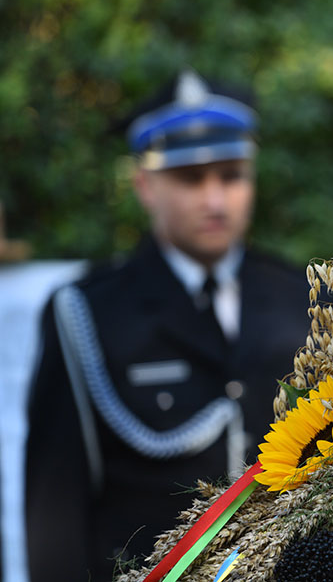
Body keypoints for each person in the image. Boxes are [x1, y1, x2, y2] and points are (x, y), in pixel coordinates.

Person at [23, 69, 312, 581]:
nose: (215, 200)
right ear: (145, 186)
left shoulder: (305, 296)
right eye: (190, 179)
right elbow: (56, 512)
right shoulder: (88, 314)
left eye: (231, 175)